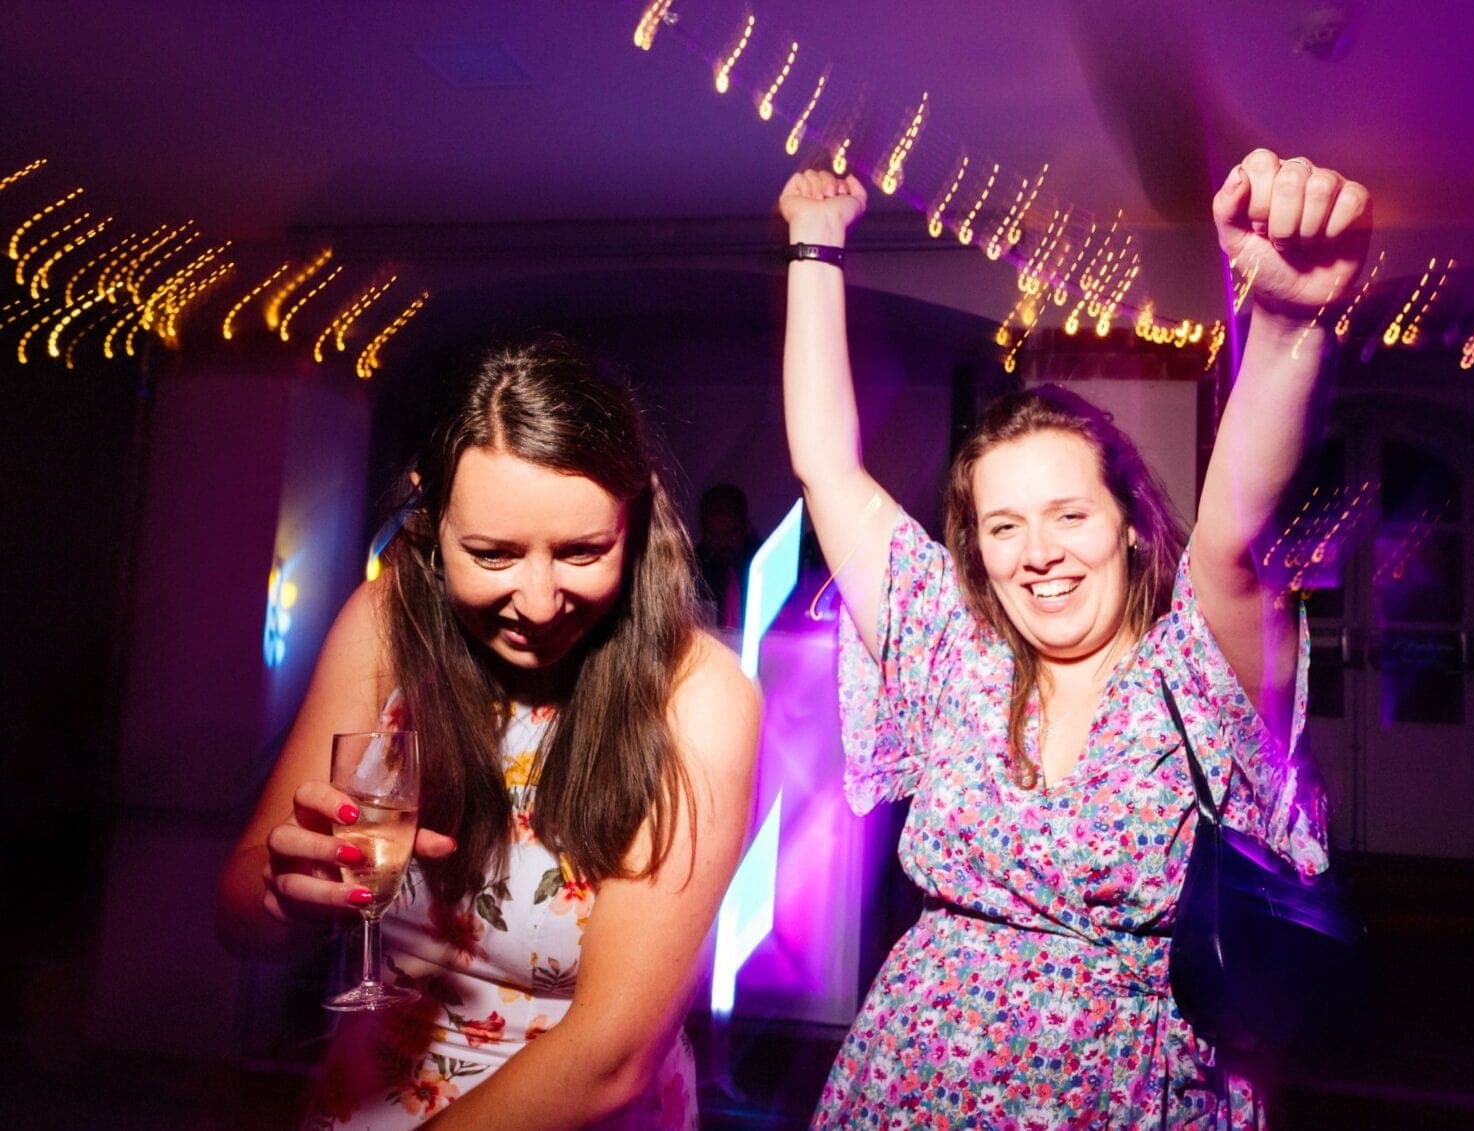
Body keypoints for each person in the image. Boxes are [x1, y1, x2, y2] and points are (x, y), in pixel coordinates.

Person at [780, 149, 1369, 1127]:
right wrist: (814, 244)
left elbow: (1231, 526)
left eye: (1067, 516)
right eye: (1002, 528)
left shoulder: (1192, 671)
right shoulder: (951, 650)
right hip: (908, 1085)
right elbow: (825, 468)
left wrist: (1281, 320)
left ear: (1130, 522)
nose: (1036, 555)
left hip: (1131, 1095)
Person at [215, 339, 761, 1129]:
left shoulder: (696, 695)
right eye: (492, 554)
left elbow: (610, 1057)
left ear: (633, 522)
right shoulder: (387, 625)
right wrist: (283, 894)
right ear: (433, 525)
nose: (538, 603)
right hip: (368, 1096)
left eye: (582, 551)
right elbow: (236, 918)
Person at [693, 482, 761, 629]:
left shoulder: (762, 563)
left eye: (730, 534)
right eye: (714, 535)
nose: (722, 543)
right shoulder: (693, 567)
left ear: (744, 527)